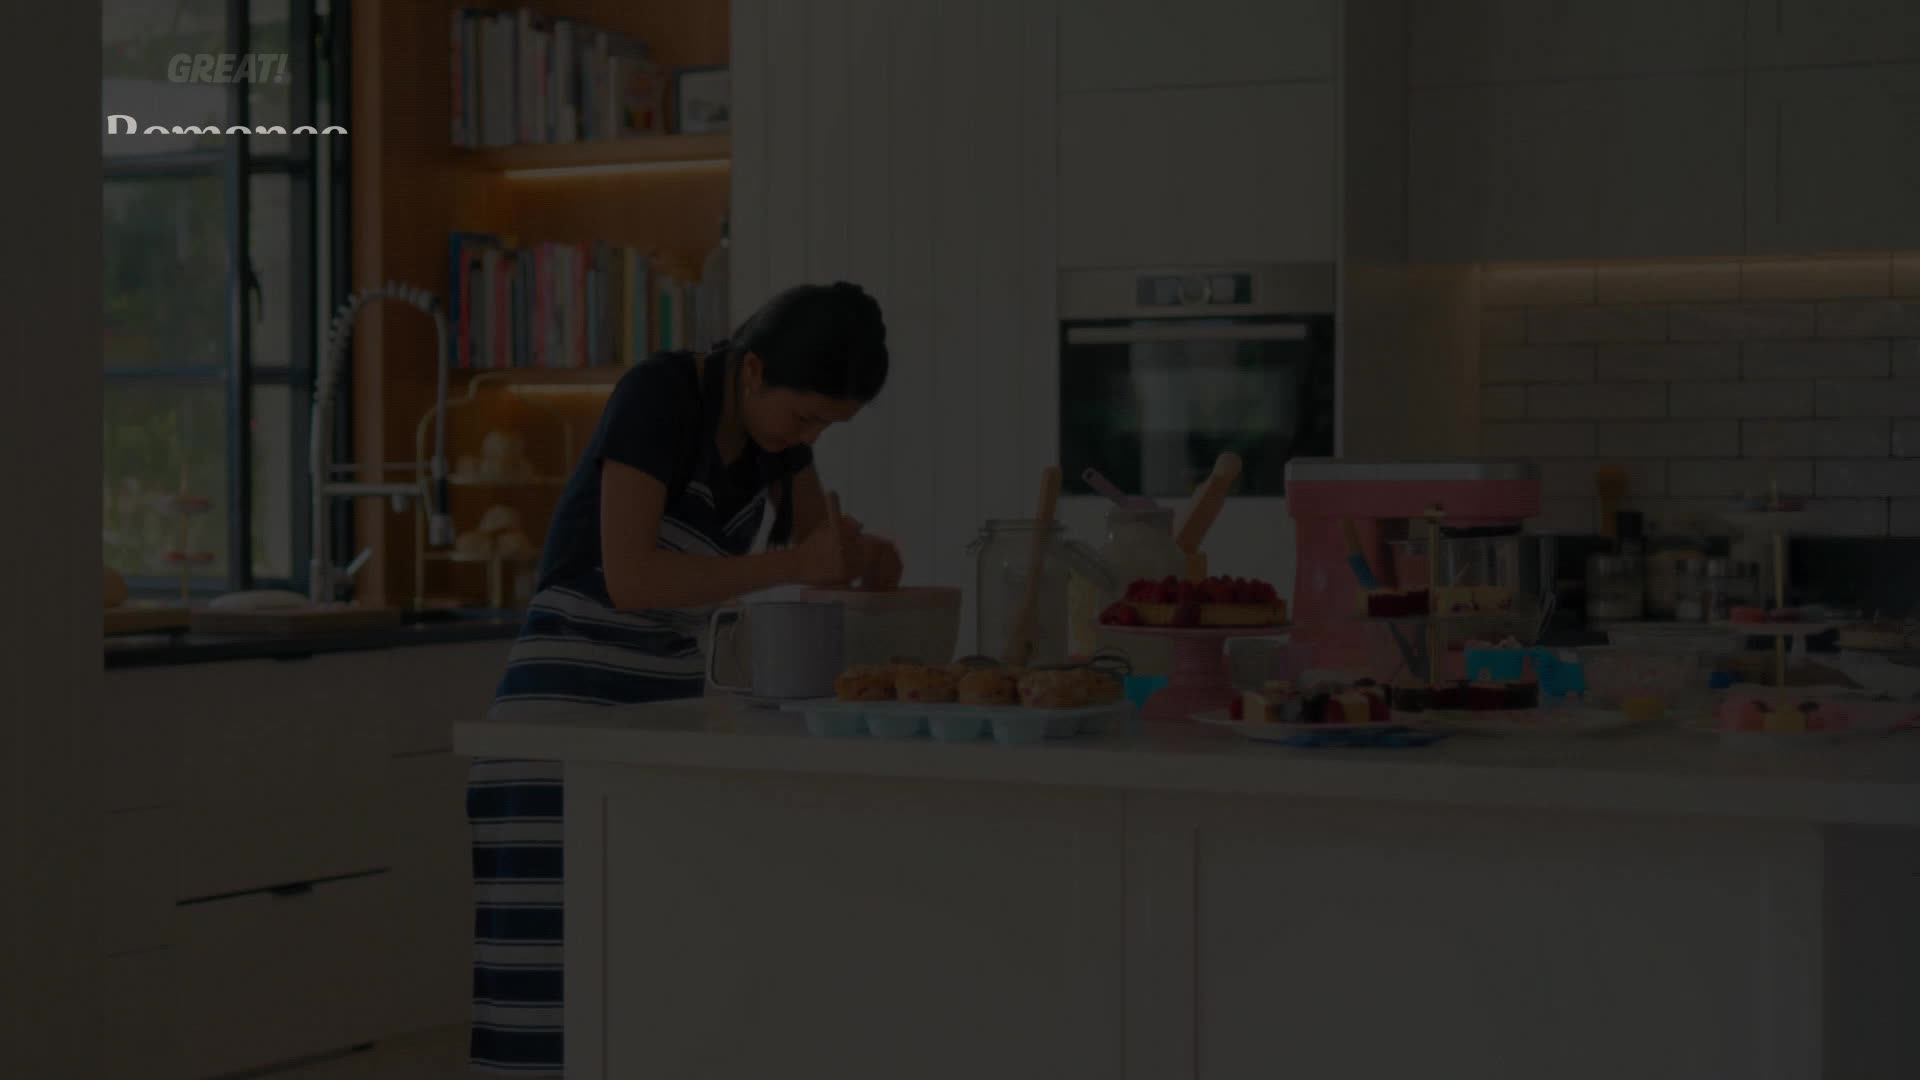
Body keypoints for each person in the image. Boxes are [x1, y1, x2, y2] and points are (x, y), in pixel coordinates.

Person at [467, 282, 900, 1075]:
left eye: (825, 427)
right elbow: (632, 577)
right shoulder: (659, 394)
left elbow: (818, 555)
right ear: (754, 371)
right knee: (543, 975)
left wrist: (865, 560)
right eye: (804, 417)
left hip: (659, 710)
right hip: (561, 705)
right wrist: (797, 561)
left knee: (643, 972)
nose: (808, 437)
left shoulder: (781, 447)